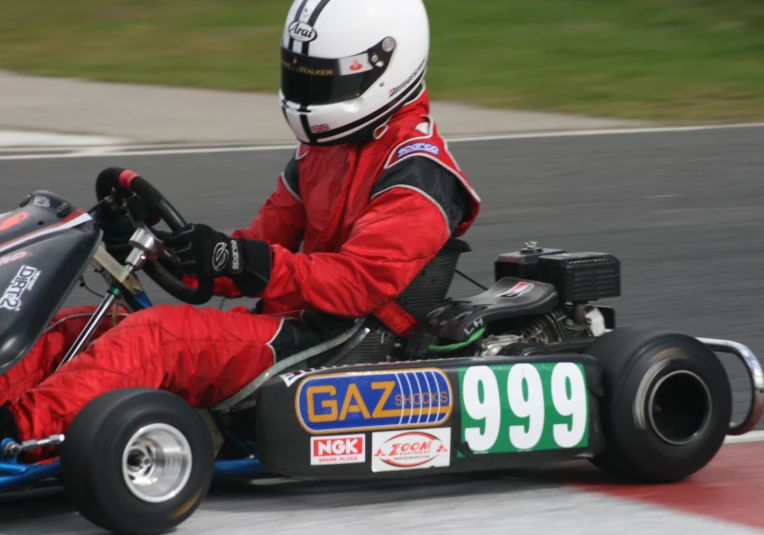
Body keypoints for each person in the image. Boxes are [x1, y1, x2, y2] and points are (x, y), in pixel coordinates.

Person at [0, 0, 480, 451]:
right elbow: (253, 252)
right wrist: (163, 250)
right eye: (302, 77)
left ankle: (23, 432)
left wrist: (248, 260)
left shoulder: (420, 175)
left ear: (383, 70)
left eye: (323, 81)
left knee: (156, 339)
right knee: (81, 325)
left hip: (339, 343)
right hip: (280, 325)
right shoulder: (324, 148)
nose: (308, 95)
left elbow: (358, 284)